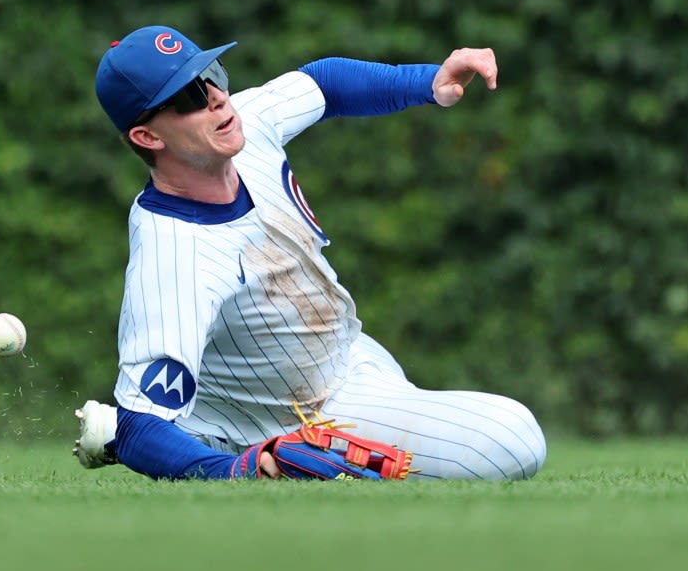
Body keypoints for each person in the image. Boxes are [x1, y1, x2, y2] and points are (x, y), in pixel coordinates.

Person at [73, 25, 547, 480]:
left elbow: (323, 82)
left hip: (350, 355)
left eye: (211, 76)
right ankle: (231, 446)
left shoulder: (242, 122)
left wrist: (428, 80)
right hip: (295, 416)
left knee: (408, 405)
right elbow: (139, 423)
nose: (216, 98)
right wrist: (237, 473)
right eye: (189, 98)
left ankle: (205, 434)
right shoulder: (174, 255)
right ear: (148, 137)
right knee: (512, 440)